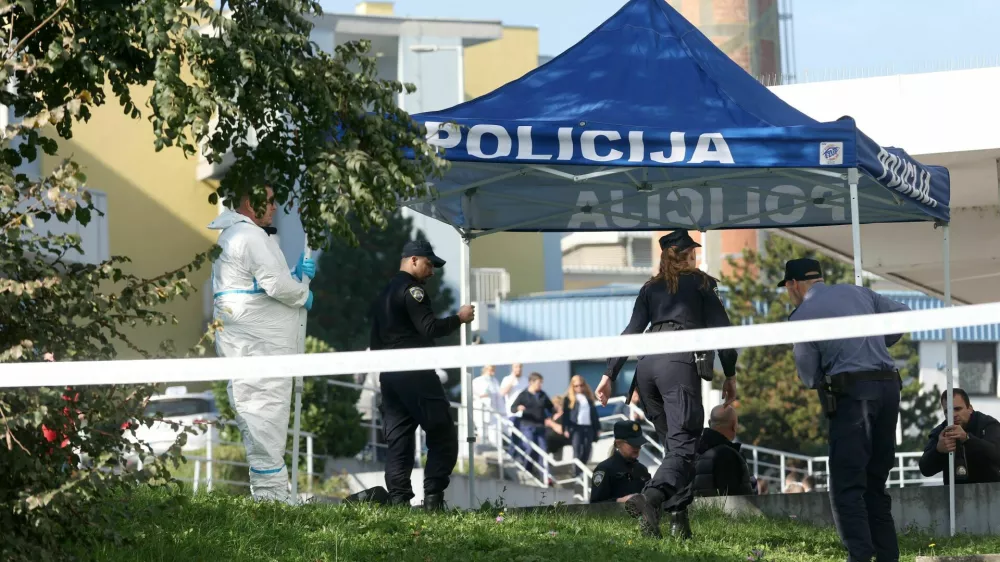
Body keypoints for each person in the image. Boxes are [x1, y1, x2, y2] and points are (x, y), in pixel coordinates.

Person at [595, 229, 738, 540]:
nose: (696, 257)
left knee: (675, 449)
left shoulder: (650, 288)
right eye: (693, 252)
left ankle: (679, 525)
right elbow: (723, 331)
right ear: (687, 255)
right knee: (685, 447)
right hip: (677, 366)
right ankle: (651, 498)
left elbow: (631, 331)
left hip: (647, 369)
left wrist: (609, 375)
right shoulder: (701, 282)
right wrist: (730, 372)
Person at [784, 257, 910, 562]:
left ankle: (860, 556)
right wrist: (882, 341)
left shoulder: (802, 315)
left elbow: (808, 375)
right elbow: (906, 315)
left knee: (846, 485)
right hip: (889, 388)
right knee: (875, 485)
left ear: (793, 285)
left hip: (854, 396)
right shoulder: (859, 293)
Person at [208, 185, 315, 503]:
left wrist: (293, 275)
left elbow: (256, 284)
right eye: (267, 201)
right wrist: (301, 291)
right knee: (265, 416)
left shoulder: (234, 236)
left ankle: (272, 496)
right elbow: (275, 285)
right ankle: (272, 500)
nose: (273, 206)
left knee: (262, 417)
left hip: (251, 344)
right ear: (248, 202)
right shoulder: (250, 237)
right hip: (260, 348)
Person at [369, 239, 476, 510]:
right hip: (415, 371)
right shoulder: (412, 290)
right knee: (442, 433)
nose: (432, 271)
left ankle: (399, 501)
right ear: (413, 260)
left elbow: (375, 340)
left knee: (399, 442)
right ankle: (433, 499)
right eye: (429, 264)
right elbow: (429, 328)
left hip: (390, 377)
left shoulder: (384, 293)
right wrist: (459, 318)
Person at [919, 388, 1000, 484]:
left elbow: (997, 454)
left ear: (970, 408)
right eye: (947, 411)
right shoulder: (941, 432)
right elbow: (925, 469)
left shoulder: (987, 424)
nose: (953, 415)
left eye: (957, 409)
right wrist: (938, 451)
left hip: (989, 492)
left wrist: (967, 439)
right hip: (955, 495)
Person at [691, 405, 753, 498]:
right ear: (734, 426)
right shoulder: (728, 455)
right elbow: (735, 499)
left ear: (709, 423)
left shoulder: (694, 452)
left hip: (700, 511)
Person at [590, 420, 651, 504]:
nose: (637, 447)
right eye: (633, 444)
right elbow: (595, 505)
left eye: (639, 444)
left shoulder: (642, 470)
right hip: (615, 517)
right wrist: (620, 501)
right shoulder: (604, 469)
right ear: (618, 443)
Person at [510, 372, 555, 478]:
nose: (540, 385)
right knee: (529, 448)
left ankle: (545, 476)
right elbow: (512, 408)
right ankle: (527, 470)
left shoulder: (542, 395)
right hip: (527, 426)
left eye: (541, 383)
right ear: (531, 382)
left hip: (540, 426)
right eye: (539, 383)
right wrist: (518, 408)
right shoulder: (523, 394)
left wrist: (552, 416)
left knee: (543, 450)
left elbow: (551, 408)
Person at [561, 375, 600, 476]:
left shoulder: (588, 398)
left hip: (588, 427)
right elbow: (566, 415)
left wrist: (598, 428)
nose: (579, 388)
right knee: (577, 449)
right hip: (576, 427)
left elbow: (594, 415)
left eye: (581, 385)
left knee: (587, 449)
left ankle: (581, 470)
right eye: (576, 386)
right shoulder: (568, 399)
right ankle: (576, 472)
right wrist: (565, 428)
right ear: (572, 386)